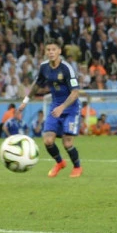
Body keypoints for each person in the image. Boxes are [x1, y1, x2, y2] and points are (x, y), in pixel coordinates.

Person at [19, 37, 82, 178]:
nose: (51, 52)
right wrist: (25, 100)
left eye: (54, 49)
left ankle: (77, 167)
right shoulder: (44, 67)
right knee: (48, 141)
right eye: (48, 50)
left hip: (71, 108)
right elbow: (37, 85)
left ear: (59, 51)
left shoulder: (67, 68)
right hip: (55, 106)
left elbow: (75, 93)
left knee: (67, 143)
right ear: (45, 52)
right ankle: (60, 163)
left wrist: (62, 107)